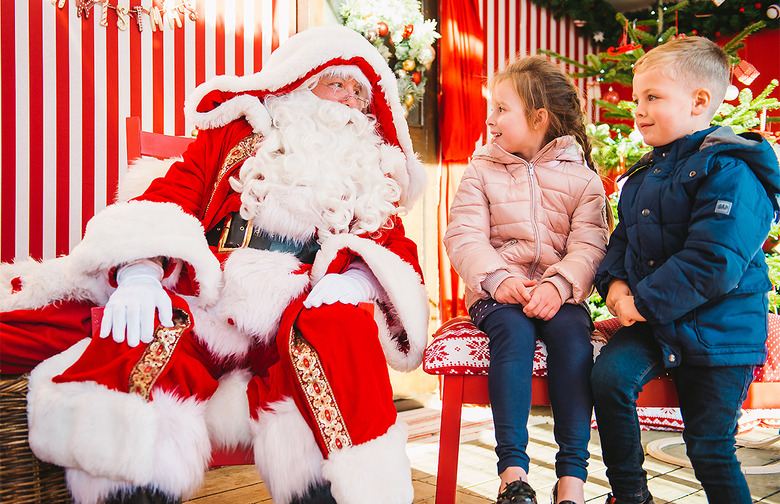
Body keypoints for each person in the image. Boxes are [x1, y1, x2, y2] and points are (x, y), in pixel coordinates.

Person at [1, 25, 430, 504]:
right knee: (147, 331)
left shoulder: (369, 174)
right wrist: (140, 271)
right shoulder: (234, 135)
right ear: (296, 84)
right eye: (337, 84)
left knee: (340, 329)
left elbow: (395, 247)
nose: (349, 100)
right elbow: (170, 196)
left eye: (360, 93)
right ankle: (127, 483)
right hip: (213, 296)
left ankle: (347, 489)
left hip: (298, 316)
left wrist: (358, 279)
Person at [591, 36, 780, 504]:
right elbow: (621, 242)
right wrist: (615, 287)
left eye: (652, 97)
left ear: (698, 102)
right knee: (609, 379)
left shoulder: (732, 172)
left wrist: (641, 302)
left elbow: (714, 260)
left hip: (721, 330)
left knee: (708, 445)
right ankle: (630, 494)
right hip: (655, 324)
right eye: (637, 98)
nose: (638, 110)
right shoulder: (643, 177)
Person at [443, 55, 610, 504]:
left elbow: (591, 247)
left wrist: (559, 285)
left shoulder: (584, 180)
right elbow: (463, 235)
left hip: (561, 295)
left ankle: (572, 478)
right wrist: (497, 278)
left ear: (538, 118)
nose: (490, 119)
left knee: (573, 338)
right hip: (497, 294)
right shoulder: (481, 170)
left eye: (501, 109)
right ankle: (512, 473)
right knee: (513, 333)